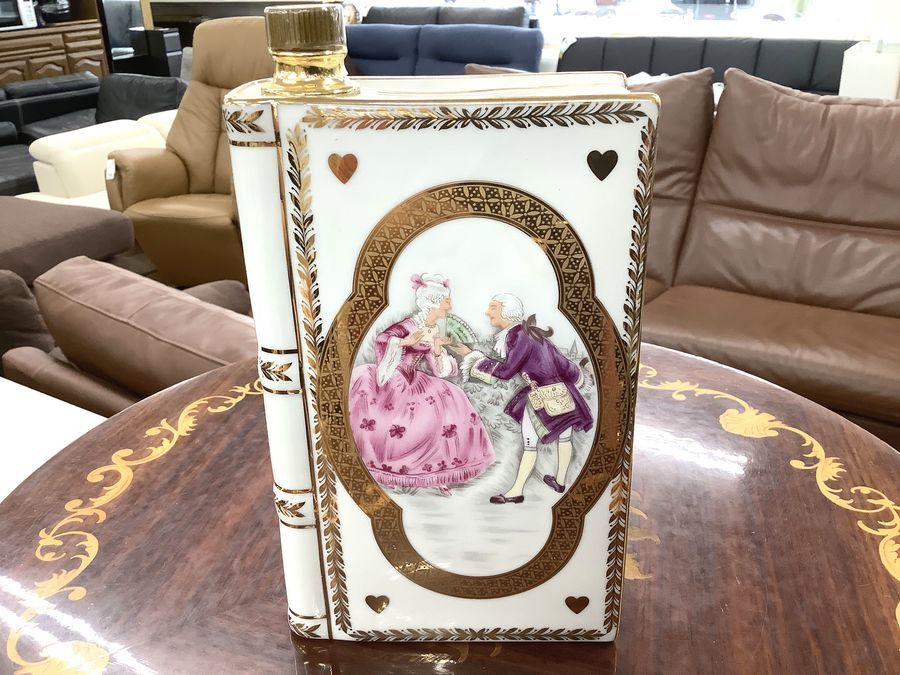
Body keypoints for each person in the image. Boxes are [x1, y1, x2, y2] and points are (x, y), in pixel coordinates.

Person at [348, 273, 494, 495]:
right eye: (446, 302)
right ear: (434, 302)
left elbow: (438, 369)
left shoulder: (433, 329)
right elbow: (383, 340)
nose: (449, 306)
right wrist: (406, 341)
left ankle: (437, 473)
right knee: (403, 421)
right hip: (393, 378)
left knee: (451, 396)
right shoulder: (408, 325)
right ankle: (395, 472)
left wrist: (437, 349)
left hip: (413, 378)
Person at [453, 293, 592, 504]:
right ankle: (560, 482)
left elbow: (506, 371)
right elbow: (563, 363)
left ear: (506, 311)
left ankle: (516, 491)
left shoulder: (518, 336)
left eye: (493, 307)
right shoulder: (531, 333)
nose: (488, 312)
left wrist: (475, 359)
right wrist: (579, 378)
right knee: (565, 439)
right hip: (563, 393)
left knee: (530, 444)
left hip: (541, 397)